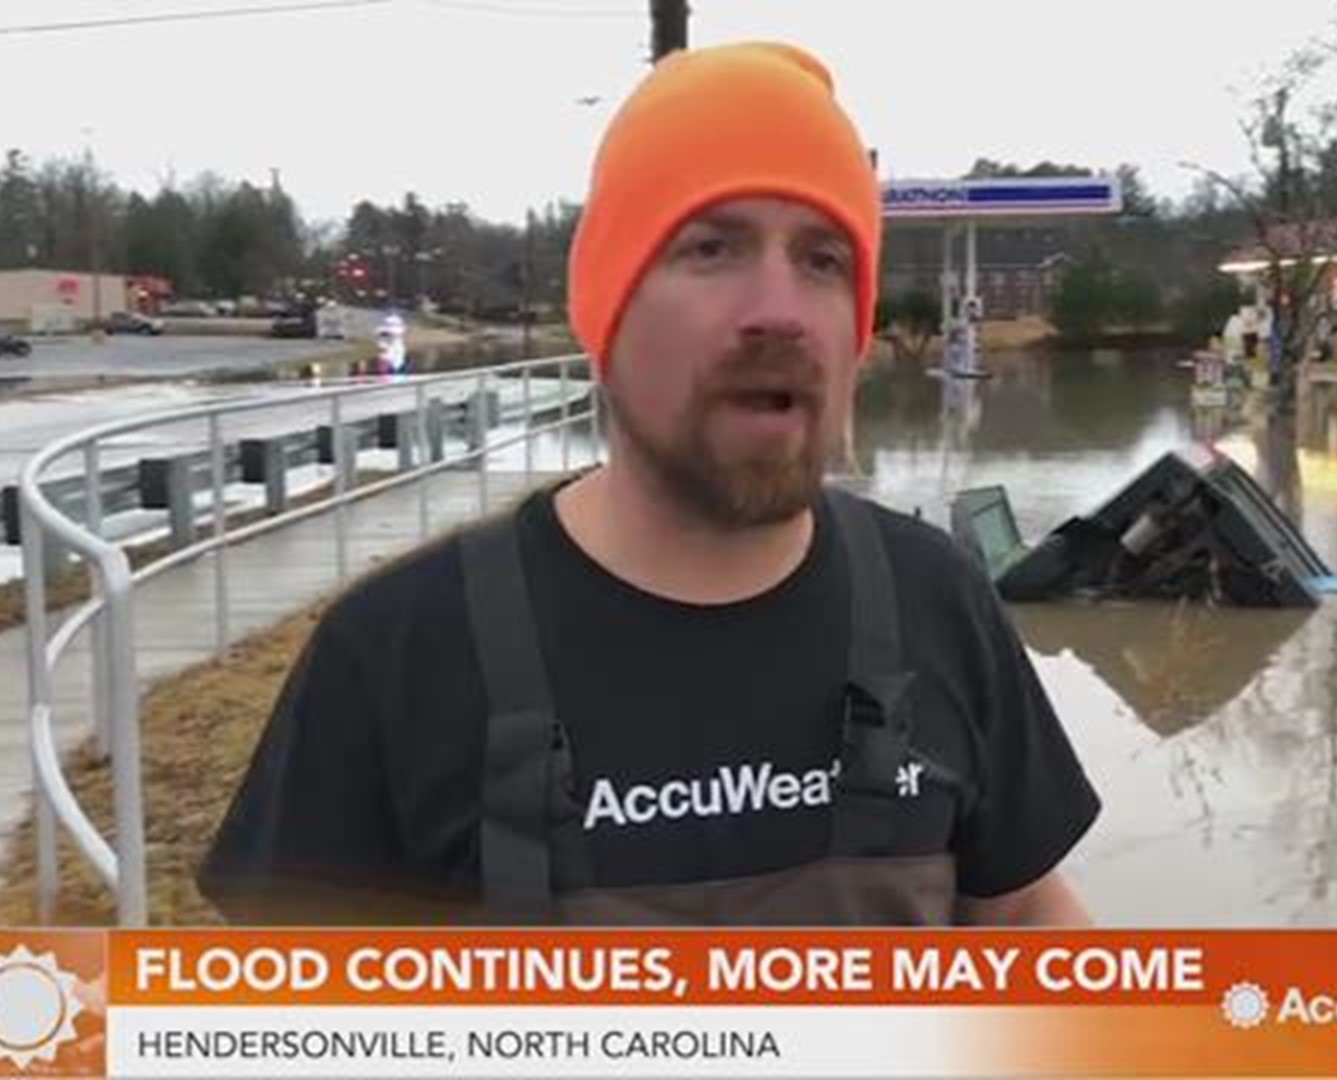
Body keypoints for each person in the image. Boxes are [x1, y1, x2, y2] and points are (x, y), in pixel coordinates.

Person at [198, 41, 1102, 926]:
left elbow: (1028, 915)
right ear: (608, 311)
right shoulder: (395, 654)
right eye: (712, 249)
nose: (779, 312)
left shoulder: (938, 599)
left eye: (824, 260)